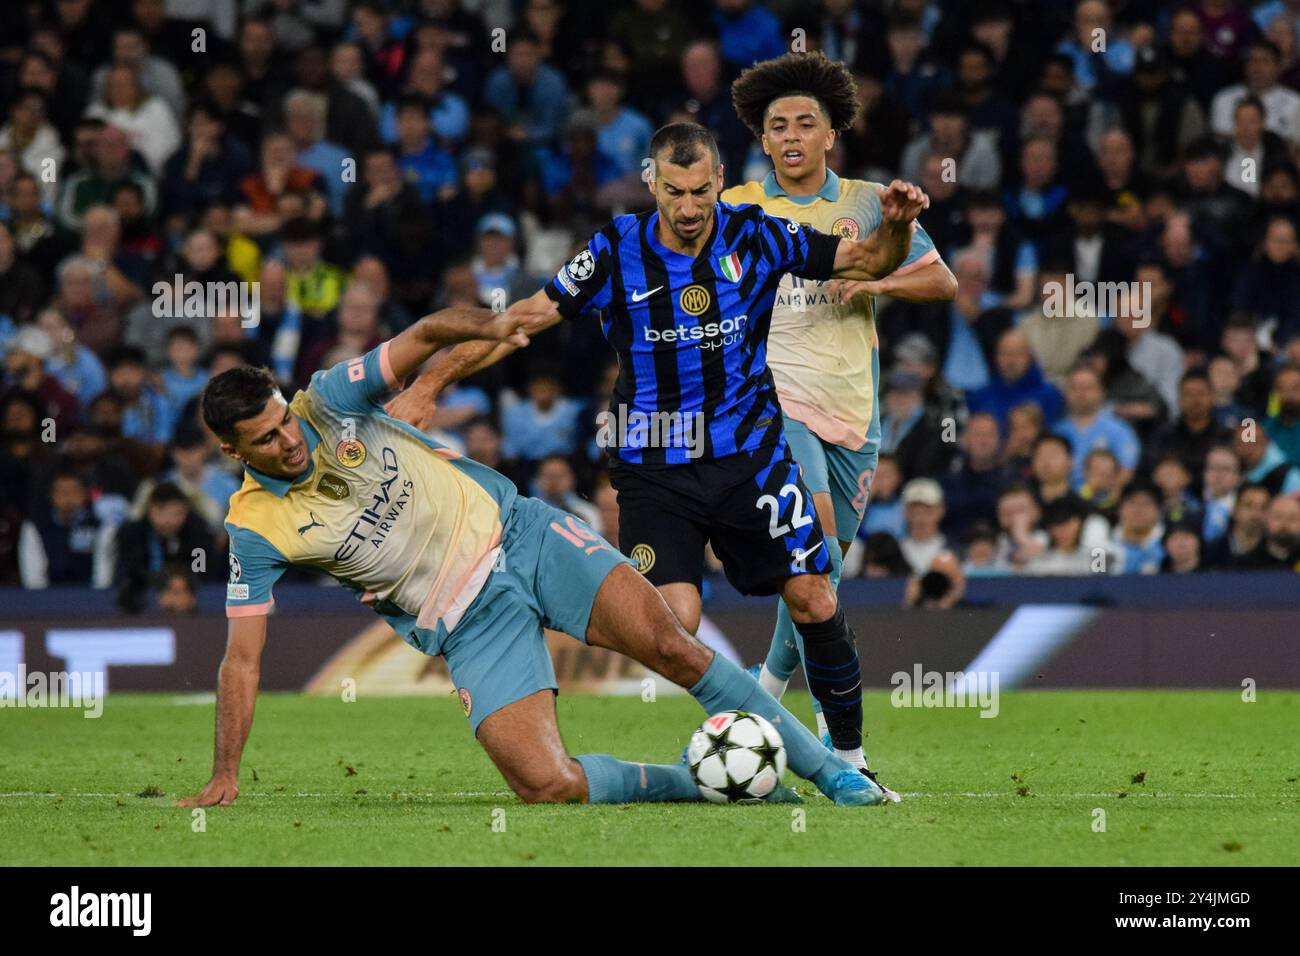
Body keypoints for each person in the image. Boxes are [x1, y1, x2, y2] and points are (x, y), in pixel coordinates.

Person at [387, 121, 928, 798]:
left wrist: (900, 226)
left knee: (815, 595)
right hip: (655, 471)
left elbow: (869, 261)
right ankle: (730, 752)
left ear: (721, 180)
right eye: (675, 191)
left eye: (702, 189)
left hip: (752, 460)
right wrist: (430, 385)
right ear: (652, 184)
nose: (691, 206)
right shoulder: (615, 249)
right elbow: (524, 319)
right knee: (675, 626)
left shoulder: (757, 234)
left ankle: (848, 758)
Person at [177, 298, 883, 809]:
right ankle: (696, 782)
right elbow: (242, 659)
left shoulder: (327, 403)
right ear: (230, 451)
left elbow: (425, 331)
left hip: (523, 536)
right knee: (546, 786)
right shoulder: (255, 527)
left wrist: (485, 325)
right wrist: (224, 773)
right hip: (465, 620)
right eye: (266, 439)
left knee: (673, 644)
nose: (289, 440)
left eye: (281, 420)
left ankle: (834, 774)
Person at [721, 52, 955, 766]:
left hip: (854, 413)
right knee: (814, 552)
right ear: (762, 141)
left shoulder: (867, 203)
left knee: (820, 579)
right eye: (776, 126)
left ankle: (762, 696)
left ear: (831, 134)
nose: (790, 135)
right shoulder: (738, 208)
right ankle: (841, 753)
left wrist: (875, 283)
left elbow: (940, 282)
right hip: (774, 402)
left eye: (805, 123)